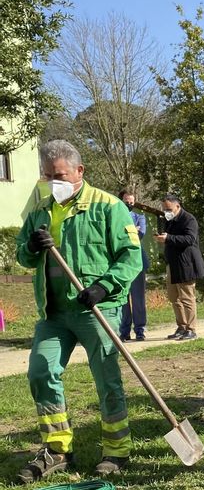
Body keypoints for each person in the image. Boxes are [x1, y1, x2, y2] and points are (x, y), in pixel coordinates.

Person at [15, 140, 143, 482]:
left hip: (96, 310)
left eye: (59, 175)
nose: (52, 181)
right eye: (47, 175)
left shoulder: (108, 207)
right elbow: (22, 256)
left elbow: (132, 258)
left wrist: (104, 287)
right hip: (53, 312)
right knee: (41, 372)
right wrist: (29, 246)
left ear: (79, 171)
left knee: (107, 380)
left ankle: (116, 450)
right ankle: (57, 449)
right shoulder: (40, 211)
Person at [154, 194, 204, 341]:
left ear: (178, 206)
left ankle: (191, 329)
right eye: (164, 209)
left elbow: (190, 239)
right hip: (173, 264)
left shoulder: (189, 219)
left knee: (187, 298)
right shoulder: (169, 220)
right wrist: (163, 238)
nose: (166, 211)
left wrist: (168, 238)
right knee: (174, 297)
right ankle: (181, 327)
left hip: (186, 264)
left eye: (168, 208)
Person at [118, 190, 149, 342]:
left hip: (137, 263)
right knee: (123, 299)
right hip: (120, 263)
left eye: (131, 202)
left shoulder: (140, 217)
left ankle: (140, 330)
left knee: (138, 299)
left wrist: (127, 232)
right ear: (120, 201)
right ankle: (124, 331)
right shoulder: (115, 217)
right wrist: (132, 230)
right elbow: (115, 235)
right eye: (126, 201)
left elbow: (141, 233)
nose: (129, 204)